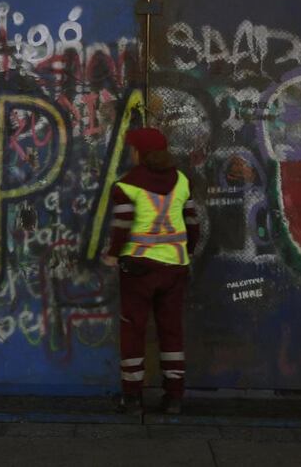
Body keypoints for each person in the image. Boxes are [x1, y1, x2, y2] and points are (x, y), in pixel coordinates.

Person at [104, 128, 199, 415]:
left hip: (138, 270)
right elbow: (193, 223)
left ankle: (132, 398)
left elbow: (121, 227)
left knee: (133, 331)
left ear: (140, 153)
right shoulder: (182, 181)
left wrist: (112, 255)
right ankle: (174, 398)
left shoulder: (127, 185)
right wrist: (187, 250)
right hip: (174, 268)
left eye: (133, 149)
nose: (131, 153)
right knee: (171, 331)